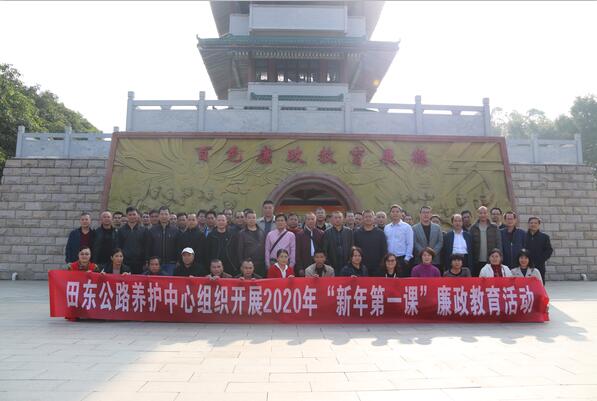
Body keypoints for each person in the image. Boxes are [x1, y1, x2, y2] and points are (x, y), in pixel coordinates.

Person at [470, 206, 502, 277]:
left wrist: (500, 258)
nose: (483, 215)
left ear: (487, 214)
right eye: (480, 213)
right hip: (477, 261)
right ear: (477, 214)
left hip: (491, 260)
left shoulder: (494, 227)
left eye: (484, 213)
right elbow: (471, 246)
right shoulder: (473, 228)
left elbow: (499, 243)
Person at [353, 209, 387, 276]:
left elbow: (384, 251)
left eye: (370, 217)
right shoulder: (356, 233)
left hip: (377, 268)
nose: (368, 219)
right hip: (360, 267)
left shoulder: (380, 233)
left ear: (374, 218)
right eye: (366, 217)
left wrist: (382, 265)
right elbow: (354, 250)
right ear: (363, 218)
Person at [148, 206, 180, 276]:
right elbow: (148, 247)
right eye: (162, 214)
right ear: (159, 216)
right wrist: (148, 261)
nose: (164, 216)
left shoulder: (176, 231)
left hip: (171, 263)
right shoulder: (152, 230)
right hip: (156, 264)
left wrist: (178, 260)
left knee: (169, 282)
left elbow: (178, 247)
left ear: (169, 216)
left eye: (166, 214)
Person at [117, 206, 149, 274]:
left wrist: (146, 260)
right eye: (130, 215)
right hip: (125, 262)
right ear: (126, 216)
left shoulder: (144, 230)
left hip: (140, 262)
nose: (132, 216)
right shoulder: (121, 230)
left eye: (134, 214)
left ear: (137, 215)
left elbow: (147, 247)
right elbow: (118, 246)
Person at [384, 204, 414, 277]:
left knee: (402, 281)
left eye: (397, 212)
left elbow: (410, 244)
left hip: (402, 258)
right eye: (393, 212)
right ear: (390, 214)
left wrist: (406, 259)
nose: (395, 213)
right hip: (389, 259)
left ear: (401, 214)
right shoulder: (387, 227)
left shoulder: (407, 227)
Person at [237, 209, 267, 277]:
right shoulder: (242, 233)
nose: (251, 220)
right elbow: (239, 251)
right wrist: (242, 264)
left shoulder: (261, 232)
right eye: (249, 218)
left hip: (261, 265)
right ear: (245, 219)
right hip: (248, 266)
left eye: (253, 218)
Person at [525, 216, 553, 284]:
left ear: (539, 224)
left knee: (539, 285)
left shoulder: (544, 237)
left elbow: (549, 250)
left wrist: (541, 259)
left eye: (535, 223)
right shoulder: (523, 236)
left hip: (539, 266)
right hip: (525, 265)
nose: (533, 224)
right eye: (531, 223)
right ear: (528, 224)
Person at [295, 212, 324, 276]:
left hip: (318, 263)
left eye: (312, 219)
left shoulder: (320, 234)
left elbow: (324, 250)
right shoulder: (300, 235)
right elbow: (298, 253)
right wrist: (300, 268)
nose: (311, 221)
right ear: (305, 221)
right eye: (308, 219)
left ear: (315, 220)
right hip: (305, 263)